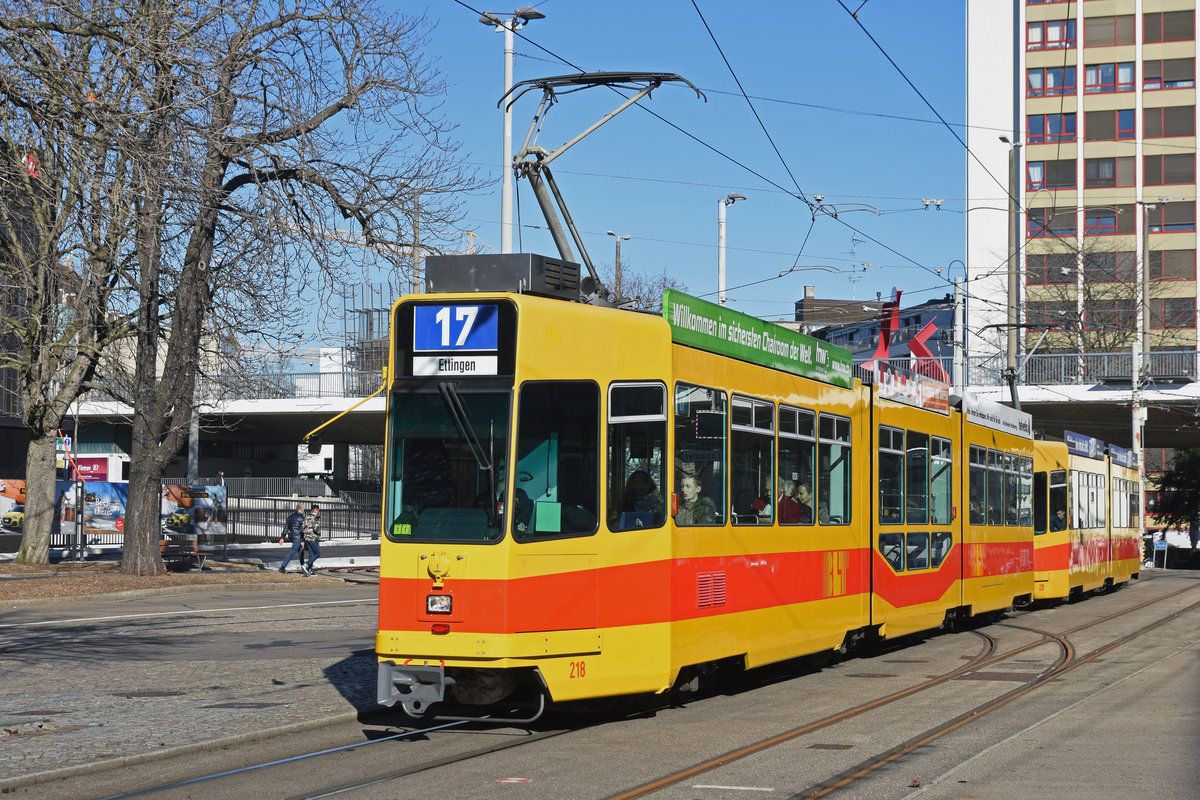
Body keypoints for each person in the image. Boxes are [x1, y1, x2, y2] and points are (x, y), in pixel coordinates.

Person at [278, 503, 307, 573]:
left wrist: (282, 537)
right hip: (298, 537)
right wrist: (304, 539)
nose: (304, 511)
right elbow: (304, 529)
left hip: (292, 536)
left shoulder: (290, 516)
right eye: (304, 510)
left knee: (301, 552)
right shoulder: (302, 518)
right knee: (292, 551)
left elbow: (286, 527)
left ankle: (304, 567)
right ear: (301, 509)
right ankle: (283, 567)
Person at [301, 504, 322, 576]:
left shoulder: (307, 517)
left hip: (307, 538)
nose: (319, 512)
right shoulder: (315, 517)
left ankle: (310, 571)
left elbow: (302, 528)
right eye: (318, 510)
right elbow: (316, 529)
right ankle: (306, 565)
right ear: (316, 510)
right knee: (317, 553)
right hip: (313, 538)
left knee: (311, 554)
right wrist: (319, 534)